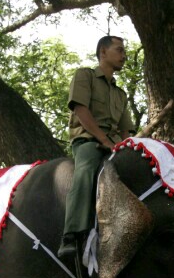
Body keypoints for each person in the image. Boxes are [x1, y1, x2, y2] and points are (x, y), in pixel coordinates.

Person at [57, 35, 134, 261]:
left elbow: (125, 131)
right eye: (119, 50)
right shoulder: (85, 76)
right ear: (103, 52)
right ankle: (70, 235)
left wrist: (125, 149)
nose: (124, 56)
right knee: (87, 169)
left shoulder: (121, 94)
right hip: (89, 141)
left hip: (113, 147)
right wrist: (103, 140)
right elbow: (81, 111)